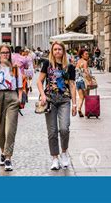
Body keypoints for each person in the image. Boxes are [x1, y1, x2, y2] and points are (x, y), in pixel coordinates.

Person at [37, 41, 77, 170]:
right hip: (50, 100)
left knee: (64, 128)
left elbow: (72, 85)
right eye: (55, 49)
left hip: (65, 100)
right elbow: (39, 81)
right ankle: (55, 158)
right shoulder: (47, 64)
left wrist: (75, 104)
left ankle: (64, 152)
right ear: (52, 51)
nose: (57, 51)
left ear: (63, 51)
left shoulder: (69, 67)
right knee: (52, 131)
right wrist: (42, 95)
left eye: (60, 49)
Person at [0, 45, 23, 171]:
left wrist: (19, 99)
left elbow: (20, 87)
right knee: (0, 129)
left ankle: (8, 158)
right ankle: (3, 152)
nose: (5, 55)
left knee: (10, 129)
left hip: (12, 97)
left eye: (7, 52)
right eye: (3, 53)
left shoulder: (15, 68)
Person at [75, 48, 91, 118]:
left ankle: (79, 109)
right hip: (84, 81)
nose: (87, 55)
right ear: (82, 55)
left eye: (88, 54)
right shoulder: (85, 62)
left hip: (78, 81)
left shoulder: (78, 61)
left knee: (81, 97)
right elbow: (86, 72)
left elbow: (77, 71)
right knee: (87, 97)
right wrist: (90, 80)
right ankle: (88, 111)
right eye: (86, 54)